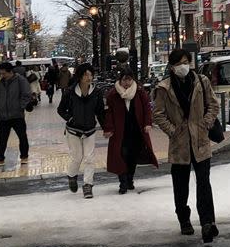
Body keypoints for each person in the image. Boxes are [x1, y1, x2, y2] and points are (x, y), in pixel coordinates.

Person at [153, 49, 220, 243]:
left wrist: (206, 123)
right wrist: (173, 131)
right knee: (181, 186)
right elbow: (158, 114)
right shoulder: (164, 88)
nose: (183, 66)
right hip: (179, 144)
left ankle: (208, 223)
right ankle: (184, 219)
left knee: (204, 183)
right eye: (178, 63)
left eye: (185, 62)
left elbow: (213, 105)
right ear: (172, 66)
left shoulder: (201, 82)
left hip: (200, 141)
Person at [103, 68, 158, 194]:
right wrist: (109, 128)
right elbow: (109, 113)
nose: (127, 83)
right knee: (120, 155)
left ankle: (130, 179)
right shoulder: (113, 94)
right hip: (120, 132)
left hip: (136, 130)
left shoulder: (139, 92)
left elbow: (146, 108)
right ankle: (122, 183)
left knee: (132, 157)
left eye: (129, 79)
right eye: (124, 80)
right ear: (120, 80)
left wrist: (147, 123)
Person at [58, 63, 105, 199]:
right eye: (85, 75)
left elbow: (100, 112)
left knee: (89, 158)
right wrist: (70, 118)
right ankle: (72, 176)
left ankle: (88, 185)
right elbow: (61, 110)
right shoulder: (70, 92)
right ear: (79, 76)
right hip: (73, 130)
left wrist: (106, 128)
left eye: (90, 74)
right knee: (77, 157)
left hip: (90, 129)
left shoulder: (96, 92)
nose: (88, 77)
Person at [0, 62, 31, 167]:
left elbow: (26, 94)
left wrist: (20, 106)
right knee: (2, 138)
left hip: (17, 115)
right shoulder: (1, 82)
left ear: (10, 72)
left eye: (4, 73)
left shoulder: (20, 80)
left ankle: (24, 156)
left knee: (22, 137)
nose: (2, 75)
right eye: (1, 73)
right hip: (4, 115)